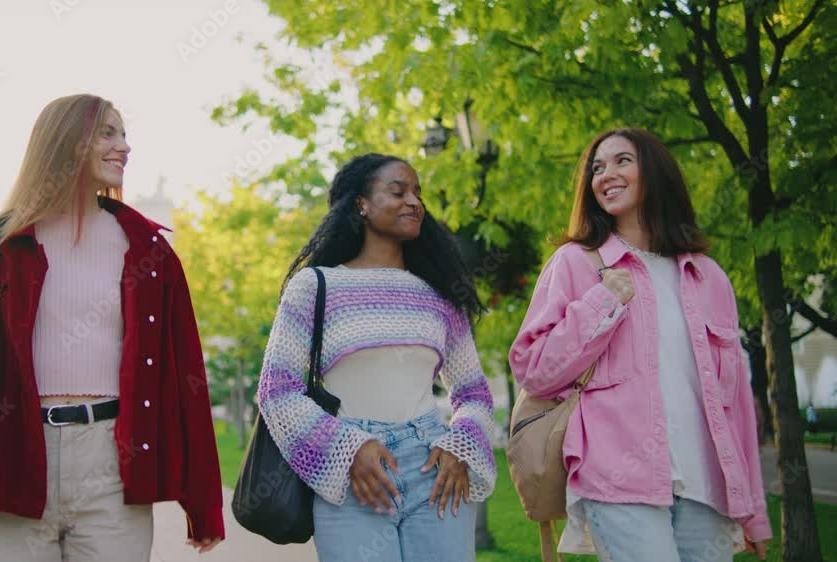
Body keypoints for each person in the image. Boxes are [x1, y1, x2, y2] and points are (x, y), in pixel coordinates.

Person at [0, 94, 224, 561]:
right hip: (11, 454)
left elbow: (185, 378)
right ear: (63, 143)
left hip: (112, 464)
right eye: (107, 132)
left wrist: (203, 502)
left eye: (124, 133)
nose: (124, 146)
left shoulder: (149, 251)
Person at [509, 128, 770, 561]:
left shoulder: (710, 277)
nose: (605, 174)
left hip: (706, 482)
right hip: (619, 480)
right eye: (597, 167)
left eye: (621, 161)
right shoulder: (577, 263)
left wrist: (754, 511)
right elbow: (535, 370)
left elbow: (737, 404)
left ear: (655, 172)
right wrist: (603, 301)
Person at [256, 154, 498, 562]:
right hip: (353, 476)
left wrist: (462, 445)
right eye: (398, 191)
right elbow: (277, 391)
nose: (414, 202)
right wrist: (347, 449)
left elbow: (473, 393)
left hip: (434, 472)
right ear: (360, 205)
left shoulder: (440, 295)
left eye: (418, 193)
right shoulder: (316, 287)